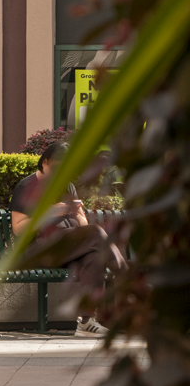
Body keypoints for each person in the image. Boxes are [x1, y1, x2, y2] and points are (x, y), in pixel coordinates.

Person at [9, 141, 126, 337]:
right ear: (45, 163)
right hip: (40, 249)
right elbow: (18, 228)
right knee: (96, 233)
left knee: (94, 256)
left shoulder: (67, 186)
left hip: (67, 246)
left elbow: (82, 222)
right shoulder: (26, 186)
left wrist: (75, 212)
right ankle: (127, 276)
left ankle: (87, 322)